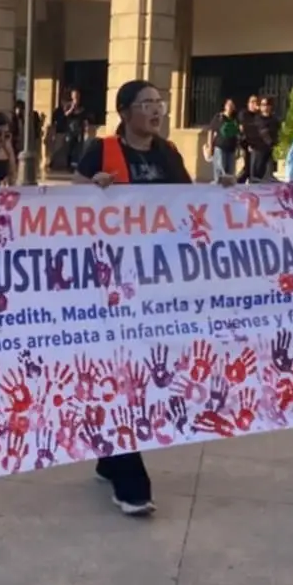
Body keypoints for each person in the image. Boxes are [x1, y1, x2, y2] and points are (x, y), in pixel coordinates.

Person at [75, 80, 194, 517]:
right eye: (146, 103)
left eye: (159, 102)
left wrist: (221, 193)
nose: (156, 110)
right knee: (123, 371)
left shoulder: (168, 153)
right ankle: (131, 481)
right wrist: (93, 188)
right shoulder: (101, 150)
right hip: (110, 280)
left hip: (155, 281)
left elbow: (189, 203)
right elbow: (68, 206)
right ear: (124, 112)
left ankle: (110, 457)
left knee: (143, 371)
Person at [242, 94, 281, 182]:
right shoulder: (257, 119)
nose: (265, 107)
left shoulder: (274, 120)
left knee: (268, 177)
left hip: (269, 151)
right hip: (258, 150)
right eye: (263, 105)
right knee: (256, 177)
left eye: (267, 105)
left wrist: (276, 145)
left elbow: (278, 133)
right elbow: (261, 133)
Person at [52, 89, 90, 173]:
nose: (76, 98)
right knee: (70, 148)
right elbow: (65, 115)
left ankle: (77, 165)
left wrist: (86, 129)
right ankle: (69, 165)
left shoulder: (82, 107)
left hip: (79, 130)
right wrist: (72, 108)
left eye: (77, 96)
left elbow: (85, 119)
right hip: (70, 130)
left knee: (79, 148)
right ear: (72, 96)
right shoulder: (68, 105)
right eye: (74, 96)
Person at [205, 98, 243, 181]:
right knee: (220, 171)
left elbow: (238, 134)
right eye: (229, 104)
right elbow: (211, 131)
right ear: (225, 106)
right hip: (220, 147)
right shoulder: (219, 117)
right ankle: (218, 187)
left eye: (232, 105)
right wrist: (210, 146)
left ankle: (227, 188)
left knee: (230, 172)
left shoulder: (235, 119)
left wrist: (238, 148)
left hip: (231, 149)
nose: (230, 107)